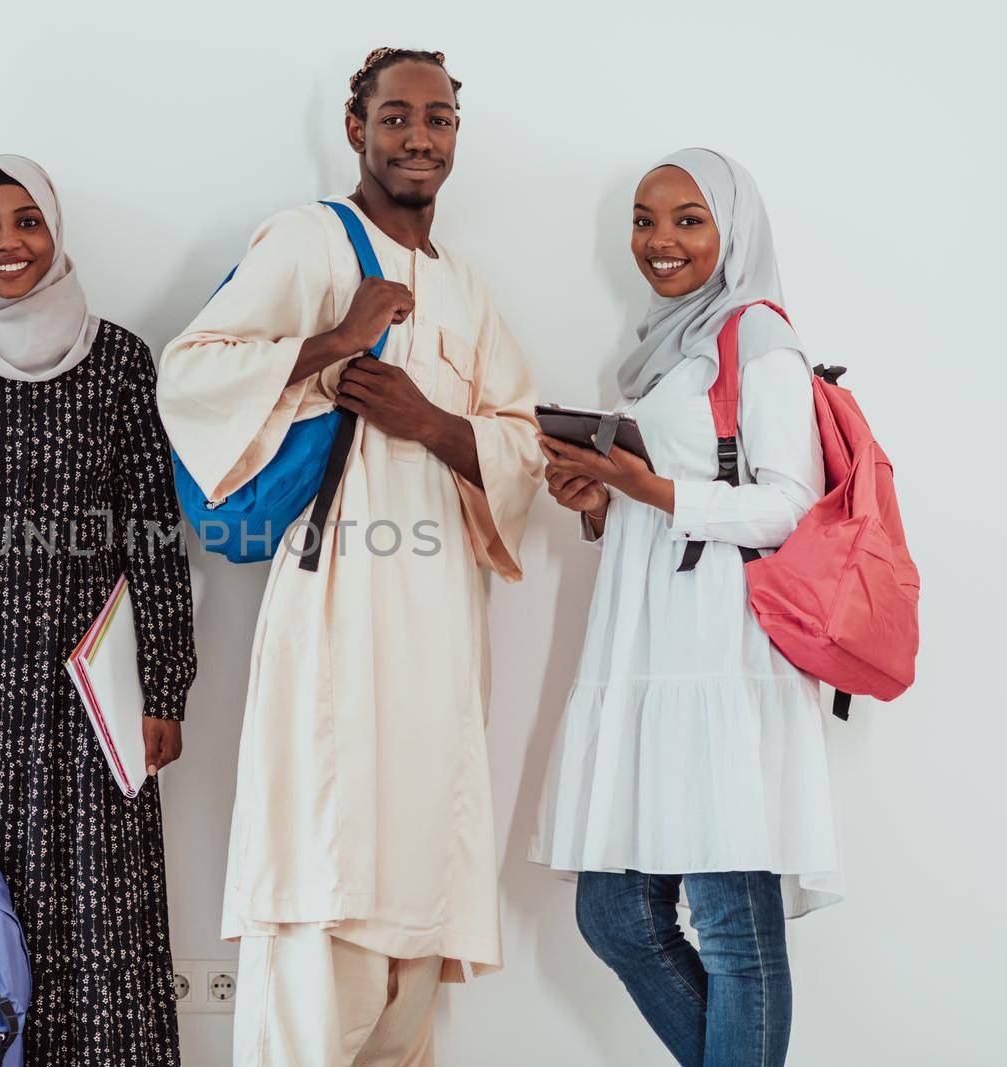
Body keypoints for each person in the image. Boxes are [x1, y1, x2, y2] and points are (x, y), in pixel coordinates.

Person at [157, 48, 543, 1066]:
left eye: (439, 118)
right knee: (321, 864)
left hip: (441, 618)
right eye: (397, 116)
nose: (419, 136)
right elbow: (190, 372)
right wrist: (332, 340)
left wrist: (433, 421)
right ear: (355, 128)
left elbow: (519, 440)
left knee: (414, 886)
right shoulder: (307, 238)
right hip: (335, 603)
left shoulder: (466, 286)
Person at [0, 155, 198, 1066]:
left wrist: (166, 685)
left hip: (89, 696)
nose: (7, 243)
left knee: (95, 927)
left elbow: (154, 534)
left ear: (55, 233)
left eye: (27, 221)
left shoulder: (118, 362)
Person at [528, 148, 841, 1067]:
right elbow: (673, 483)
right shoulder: (666, 347)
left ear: (733, 230)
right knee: (616, 913)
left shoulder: (759, 339)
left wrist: (652, 490)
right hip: (645, 655)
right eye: (643, 219)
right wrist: (602, 500)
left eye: (688, 219)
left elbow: (789, 502)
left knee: (732, 929)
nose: (659, 241)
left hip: (718, 657)